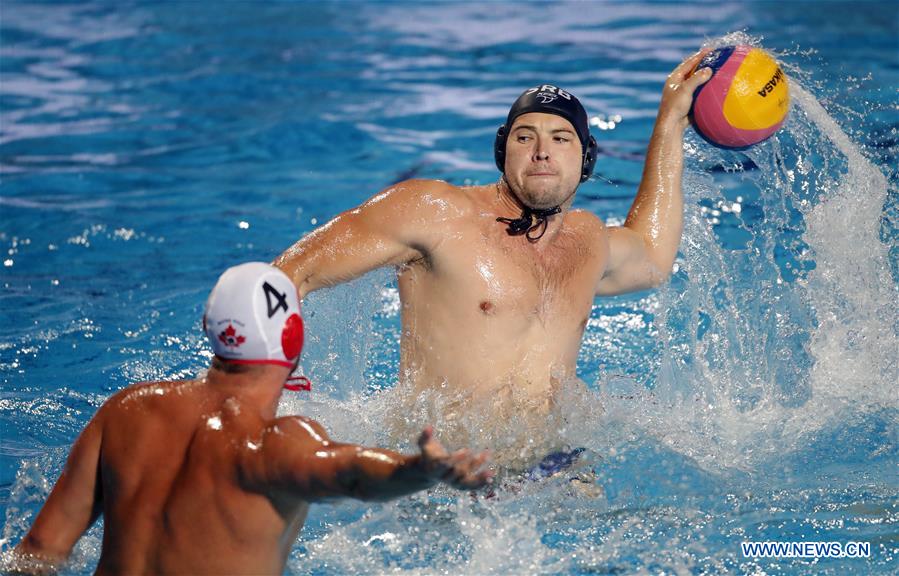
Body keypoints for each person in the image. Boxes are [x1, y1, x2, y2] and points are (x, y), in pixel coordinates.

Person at [275, 51, 712, 466]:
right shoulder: (437, 212)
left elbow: (653, 257)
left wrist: (670, 121)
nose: (542, 151)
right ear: (503, 152)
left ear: (586, 160)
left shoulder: (587, 241)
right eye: (526, 137)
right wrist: (265, 386)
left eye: (560, 138)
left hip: (552, 466)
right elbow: (291, 273)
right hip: (443, 471)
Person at [9, 263, 492, 575]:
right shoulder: (272, 442)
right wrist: (419, 470)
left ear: (209, 329)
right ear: (293, 338)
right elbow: (350, 473)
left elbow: (39, 549)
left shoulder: (127, 410)